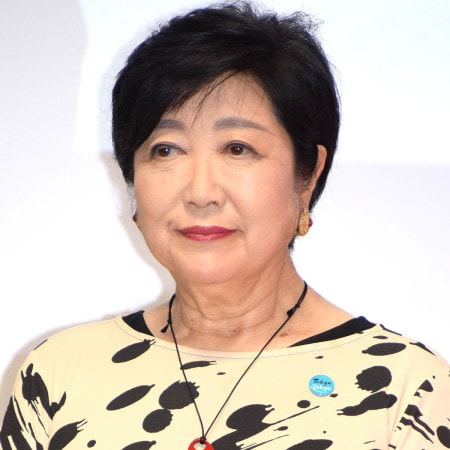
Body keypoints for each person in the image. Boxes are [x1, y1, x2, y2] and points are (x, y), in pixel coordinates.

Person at [1, 1, 449, 449]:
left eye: (237, 148)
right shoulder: (59, 374)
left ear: (308, 174)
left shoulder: (407, 391)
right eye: (166, 150)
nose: (201, 192)